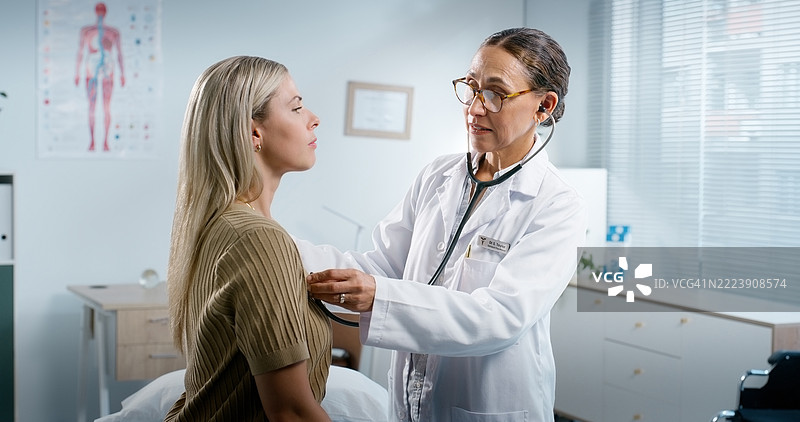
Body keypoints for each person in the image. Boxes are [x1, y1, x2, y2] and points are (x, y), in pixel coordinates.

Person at [301, 28, 587, 422]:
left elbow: (499, 317)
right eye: (471, 87)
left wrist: (380, 297)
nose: (474, 107)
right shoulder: (438, 175)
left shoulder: (556, 204)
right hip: (410, 403)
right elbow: (383, 266)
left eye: (495, 93)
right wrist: (280, 248)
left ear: (544, 106)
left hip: (488, 408)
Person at [165, 56, 331, 422]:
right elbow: (292, 412)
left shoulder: (219, 225)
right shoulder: (258, 238)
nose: (313, 118)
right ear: (254, 132)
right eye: (297, 107)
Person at [74, 2, 125, 152]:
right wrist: (77, 73)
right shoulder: (87, 31)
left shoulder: (113, 32)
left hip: (108, 71)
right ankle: (92, 142)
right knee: (92, 107)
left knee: (106, 107)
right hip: (91, 71)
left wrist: (122, 74)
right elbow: (81, 52)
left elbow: (120, 54)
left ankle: (105, 142)